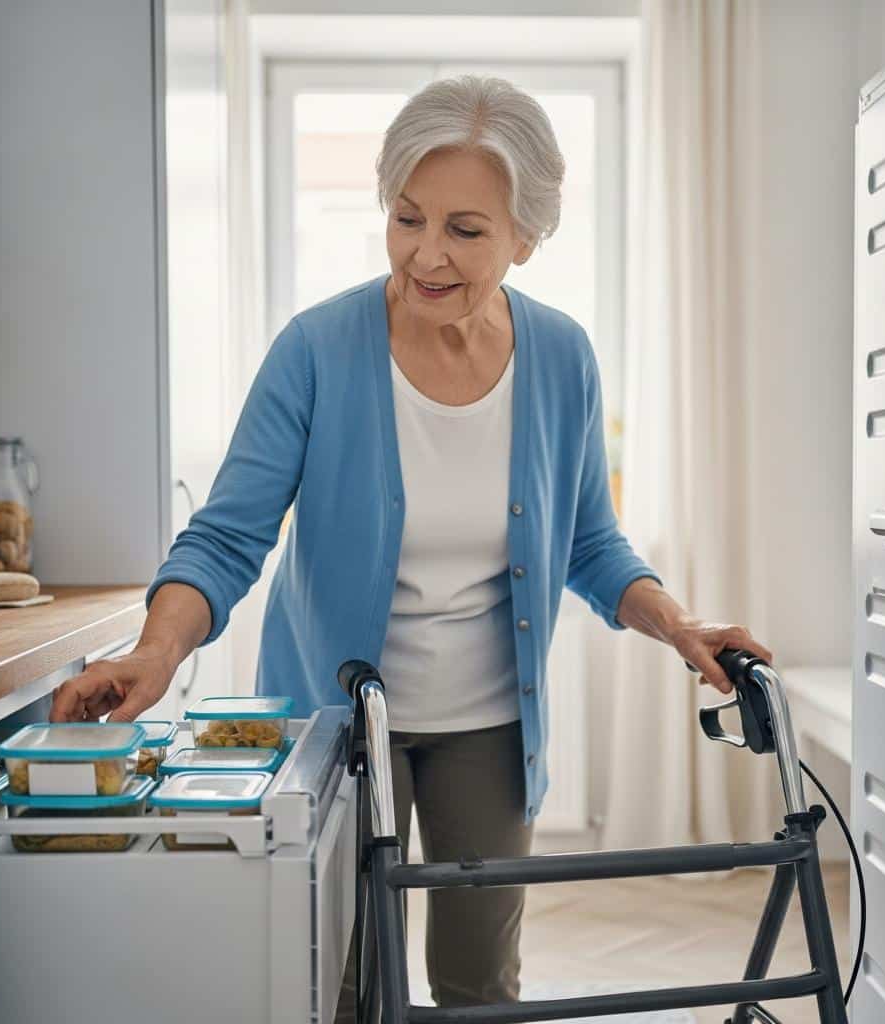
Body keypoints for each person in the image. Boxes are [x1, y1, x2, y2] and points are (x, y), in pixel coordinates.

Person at [51, 75, 772, 1010]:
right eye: (406, 218)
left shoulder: (562, 357)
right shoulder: (316, 349)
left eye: (465, 230)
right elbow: (229, 538)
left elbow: (591, 543)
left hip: (491, 725)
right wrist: (156, 651)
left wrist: (679, 626)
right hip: (338, 717)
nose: (425, 255)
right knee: (342, 969)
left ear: (527, 235)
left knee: (480, 980)